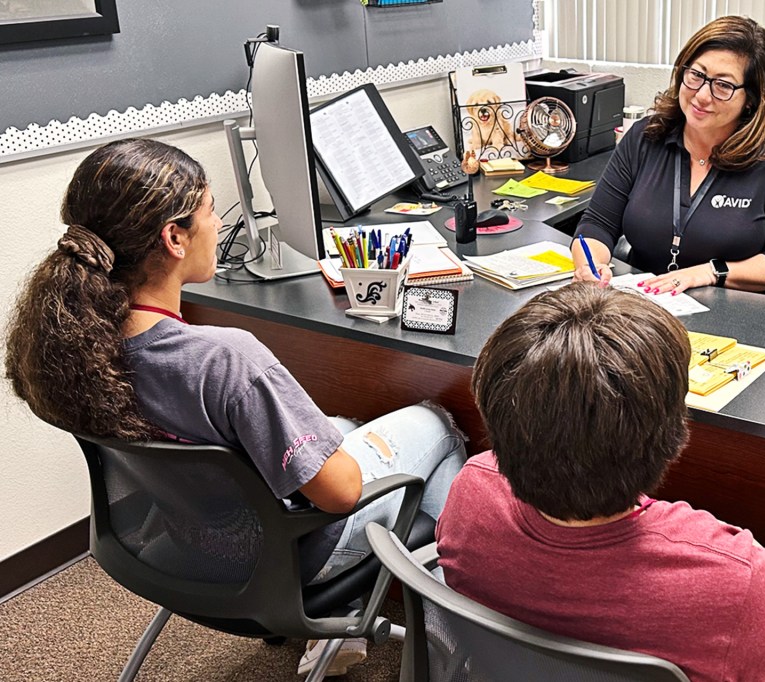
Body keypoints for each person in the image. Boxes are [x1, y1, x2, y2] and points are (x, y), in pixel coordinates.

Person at [3, 138, 467, 677]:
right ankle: (447, 639)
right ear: (173, 237)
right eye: (209, 211)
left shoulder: (74, 348)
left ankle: (399, 625)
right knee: (438, 422)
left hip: (184, 544)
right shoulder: (228, 359)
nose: (219, 226)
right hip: (286, 559)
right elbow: (339, 494)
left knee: (337, 426)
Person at [436, 284, 765, 682]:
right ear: (674, 436)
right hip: (747, 606)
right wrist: (754, 576)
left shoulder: (470, 488)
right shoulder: (737, 580)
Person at [571, 15, 765, 296]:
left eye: (723, 85)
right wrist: (590, 265)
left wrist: (709, 273)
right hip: (649, 306)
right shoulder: (644, 137)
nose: (701, 95)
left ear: (751, 100)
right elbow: (597, 224)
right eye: (696, 75)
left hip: (738, 311)